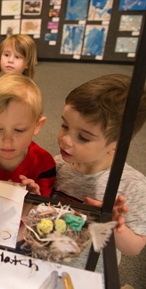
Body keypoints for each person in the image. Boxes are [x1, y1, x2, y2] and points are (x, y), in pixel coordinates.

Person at [54, 74, 146, 271]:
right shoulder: (57, 165)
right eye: (64, 125)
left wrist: (111, 224)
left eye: (83, 137)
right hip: (48, 262)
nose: (66, 140)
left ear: (116, 146)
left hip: (90, 274)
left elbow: (134, 248)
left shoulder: (132, 186)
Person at [0, 34, 38, 143]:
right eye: (6, 55)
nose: (10, 60)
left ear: (27, 63)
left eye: (17, 57)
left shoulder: (27, 89)